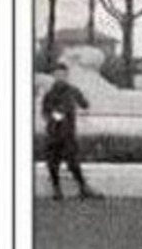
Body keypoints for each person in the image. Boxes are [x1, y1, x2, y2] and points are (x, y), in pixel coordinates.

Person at [40, 59, 99, 200]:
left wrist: (84, 104)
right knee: (52, 163)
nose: (60, 77)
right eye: (57, 74)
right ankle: (56, 190)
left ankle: (84, 188)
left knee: (73, 162)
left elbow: (85, 104)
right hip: (53, 133)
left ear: (67, 75)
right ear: (53, 76)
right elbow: (44, 112)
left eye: (63, 74)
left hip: (68, 133)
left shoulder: (73, 90)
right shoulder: (49, 94)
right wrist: (54, 115)